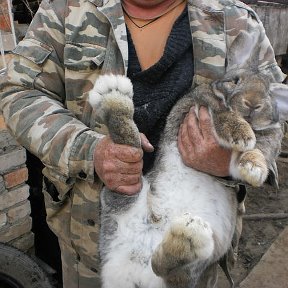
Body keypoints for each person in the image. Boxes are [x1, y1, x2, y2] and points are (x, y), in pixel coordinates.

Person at [0, 0, 287, 287]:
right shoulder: (65, 9)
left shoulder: (236, 21)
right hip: (88, 250)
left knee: (181, 265)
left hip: (193, 245)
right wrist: (89, 149)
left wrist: (229, 163)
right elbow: (18, 91)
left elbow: (272, 115)